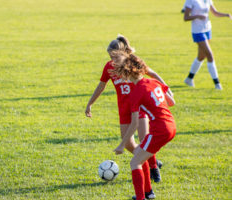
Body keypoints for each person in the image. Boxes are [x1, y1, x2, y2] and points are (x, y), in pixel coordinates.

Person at [85, 35, 173, 183]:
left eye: (114, 56)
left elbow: (153, 74)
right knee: (127, 144)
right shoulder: (109, 67)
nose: (112, 59)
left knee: (145, 139)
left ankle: (153, 168)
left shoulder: (133, 63)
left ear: (123, 53)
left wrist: (168, 91)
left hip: (140, 106)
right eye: (109, 56)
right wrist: (90, 103)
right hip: (124, 109)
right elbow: (101, 85)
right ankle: (147, 160)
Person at [111, 50, 176, 200]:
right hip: (171, 125)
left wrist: (122, 145)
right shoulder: (153, 82)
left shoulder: (136, 93)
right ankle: (148, 193)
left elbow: (134, 124)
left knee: (134, 162)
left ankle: (141, 198)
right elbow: (172, 102)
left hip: (160, 130)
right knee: (140, 155)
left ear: (127, 73)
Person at [183, 0, 232, 90]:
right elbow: (185, 17)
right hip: (198, 31)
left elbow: (215, 12)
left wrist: (226, 15)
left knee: (201, 56)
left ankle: (189, 79)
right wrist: (198, 16)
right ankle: (217, 83)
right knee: (210, 55)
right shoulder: (190, 1)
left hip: (207, 30)